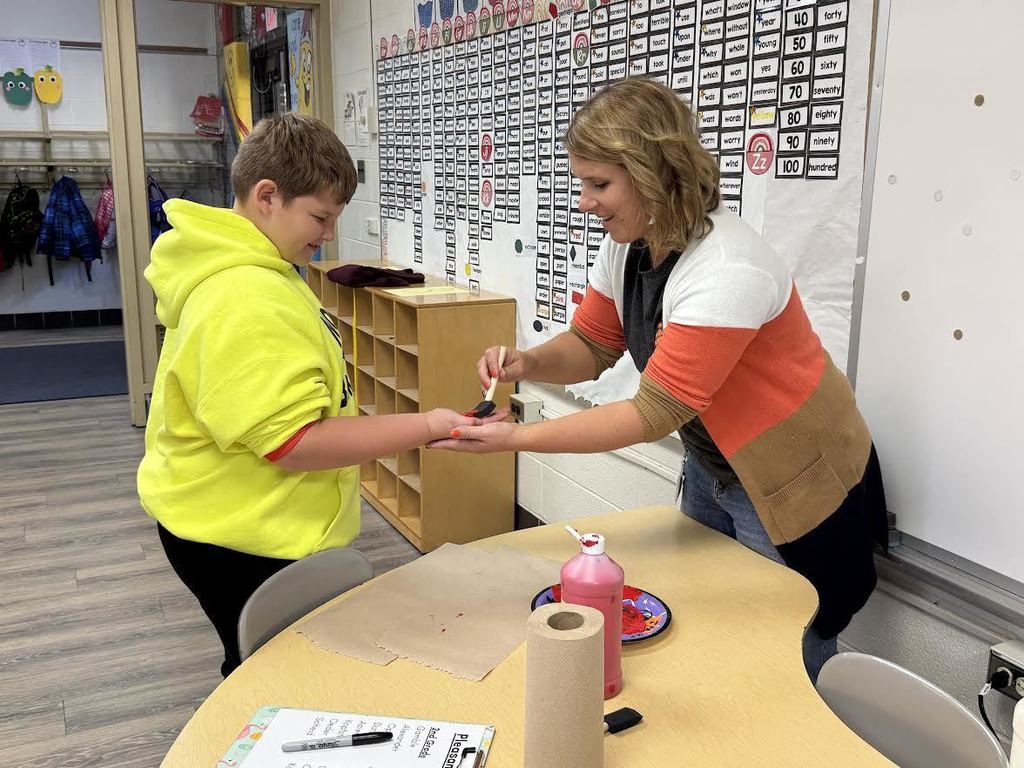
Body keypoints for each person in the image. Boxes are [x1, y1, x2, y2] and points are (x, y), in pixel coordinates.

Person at [431, 78, 888, 682]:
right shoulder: (631, 243)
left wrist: (513, 438)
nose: (584, 201)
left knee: (781, 646)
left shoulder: (726, 267)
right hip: (715, 463)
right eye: (582, 183)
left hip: (791, 475)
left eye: (600, 184)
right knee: (710, 617)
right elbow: (593, 345)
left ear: (655, 172)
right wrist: (529, 363)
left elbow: (651, 414)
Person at [137, 114, 499, 677]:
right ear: (266, 197)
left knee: (269, 660)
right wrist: (430, 425)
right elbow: (294, 440)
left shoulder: (267, 267)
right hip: (236, 534)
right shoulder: (244, 295)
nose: (328, 234)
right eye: (320, 216)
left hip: (241, 515)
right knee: (270, 669)